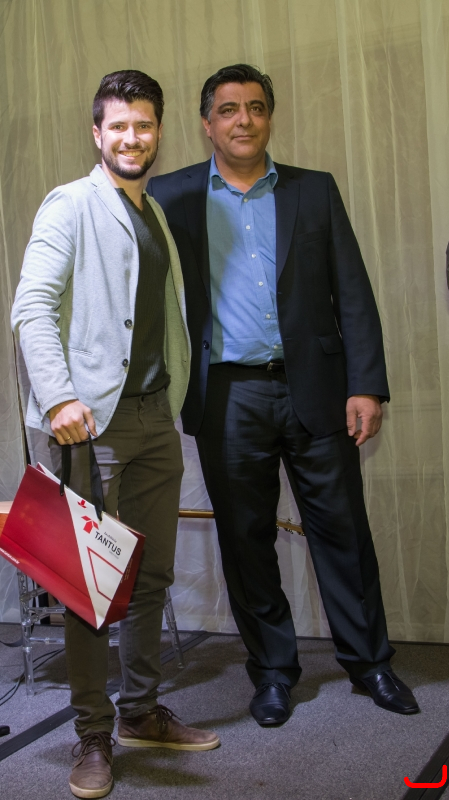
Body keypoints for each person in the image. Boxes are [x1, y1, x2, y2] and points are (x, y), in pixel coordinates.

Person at [147, 63, 419, 727]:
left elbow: (351, 290)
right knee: (245, 541)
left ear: (269, 117)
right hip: (225, 394)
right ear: (206, 123)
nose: (244, 119)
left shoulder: (312, 190)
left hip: (317, 389)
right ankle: (271, 672)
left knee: (342, 532)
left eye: (256, 107)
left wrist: (366, 384)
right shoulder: (170, 195)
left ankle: (371, 664)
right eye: (229, 109)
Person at [12, 70, 219, 800]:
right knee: (87, 587)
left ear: (158, 131)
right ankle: (93, 733)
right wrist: (58, 396)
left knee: (151, 577)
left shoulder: (151, 212)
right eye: (119, 126)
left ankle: (140, 712)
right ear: (97, 133)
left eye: (145, 125)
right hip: (91, 425)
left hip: (154, 418)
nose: (133, 137)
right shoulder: (70, 204)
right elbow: (32, 306)